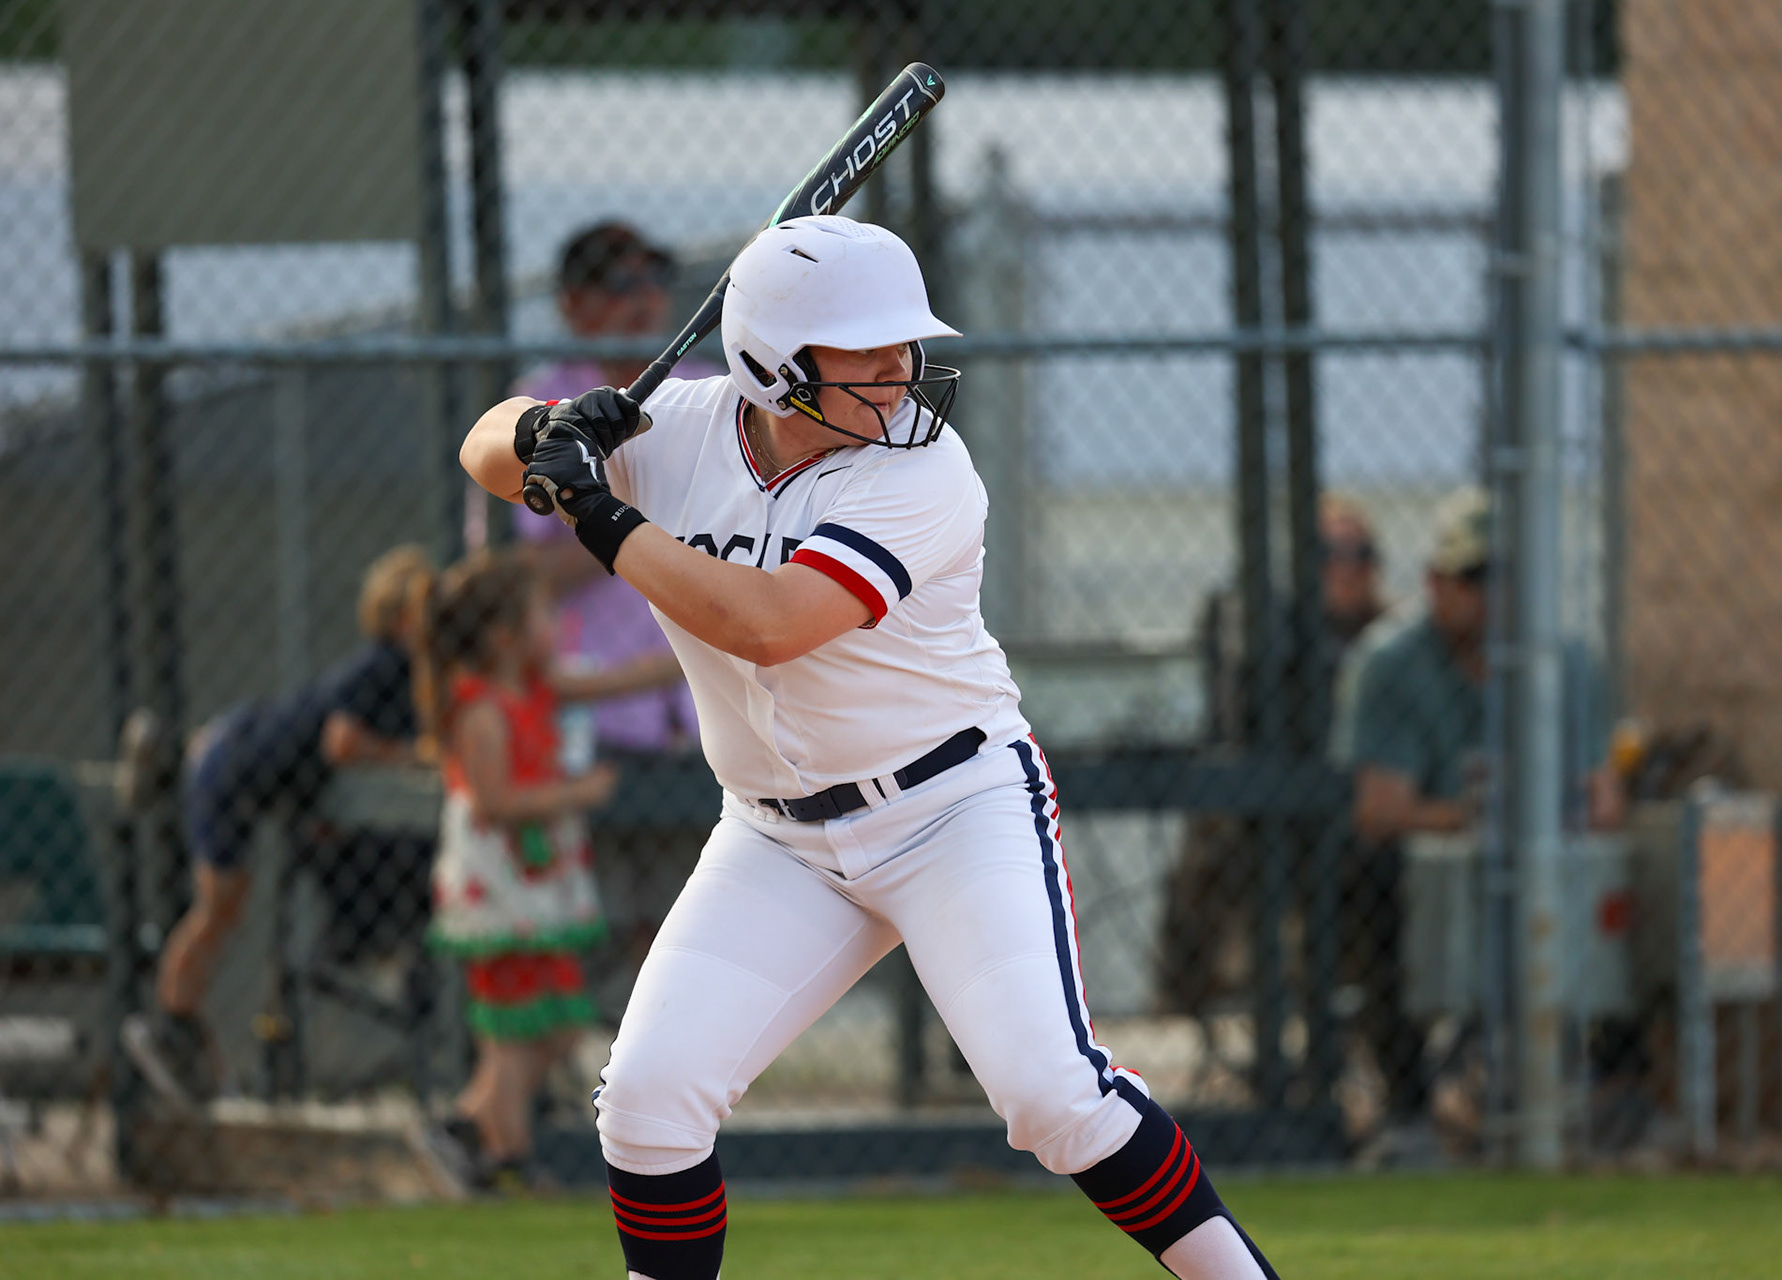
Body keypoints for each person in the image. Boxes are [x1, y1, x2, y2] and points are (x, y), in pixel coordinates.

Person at [463, 215, 1284, 1279]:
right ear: (775, 361)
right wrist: (554, 437)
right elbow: (491, 439)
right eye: (868, 348)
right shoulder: (674, 428)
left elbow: (768, 620)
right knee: (650, 1102)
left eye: (906, 343)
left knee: (1052, 1095)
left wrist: (601, 514)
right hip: (775, 835)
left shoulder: (924, 469)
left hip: (951, 808)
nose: (902, 369)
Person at [1329, 486, 1623, 1131]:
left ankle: (1607, 1093)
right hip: (1432, 868)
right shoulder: (1393, 662)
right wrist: (1481, 814)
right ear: (1436, 583)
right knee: (1369, 878)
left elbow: (1601, 802)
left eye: (1508, 578)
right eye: (1475, 578)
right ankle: (1408, 1108)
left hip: (1550, 856)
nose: (1493, 597)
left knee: (1626, 876)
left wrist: (1534, 821)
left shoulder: (1568, 662)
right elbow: (1381, 811)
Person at [122, 545, 435, 1106]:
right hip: (234, 771)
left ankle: (186, 1031)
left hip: (249, 760)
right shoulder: (386, 664)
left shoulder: (406, 675)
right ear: (403, 618)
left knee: (238, 904)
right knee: (219, 907)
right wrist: (412, 756)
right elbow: (342, 741)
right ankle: (171, 1019)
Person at [416, 548, 684, 1187]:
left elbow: (629, 678)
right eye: (543, 615)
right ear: (505, 636)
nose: (557, 626)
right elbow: (495, 802)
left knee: (556, 1023)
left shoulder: (538, 687)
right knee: (517, 1030)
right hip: (501, 888)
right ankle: (492, 1143)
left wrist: (704, 646)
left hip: (539, 883)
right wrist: (577, 793)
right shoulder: (480, 709)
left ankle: (482, 1134)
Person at [514, 221, 711, 986]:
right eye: (619, 287)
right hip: (589, 718)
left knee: (681, 931)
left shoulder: (702, 390)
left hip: (697, 715)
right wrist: (623, 516)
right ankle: (585, 1093)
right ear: (575, 305)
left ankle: (671, 1089)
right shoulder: (537, 405)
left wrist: (615, 510)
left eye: (652, 282)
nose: (645, 302)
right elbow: (526, 573)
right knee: (582, 927)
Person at [1162, 495, 1388, 1020]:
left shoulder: (1389, 640)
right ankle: (1181, 1000)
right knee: (1210, 843)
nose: (1346, 568)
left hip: (1360, 807)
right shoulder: (1277, 636)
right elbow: (1234, 724)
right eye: (1330, 553)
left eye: (1361, 554)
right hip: (1280, 811)